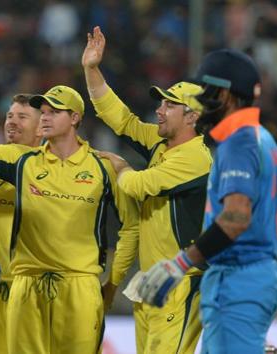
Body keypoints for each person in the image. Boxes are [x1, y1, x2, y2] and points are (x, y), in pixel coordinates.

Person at [136, 49, 277, 353]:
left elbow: (236, 217)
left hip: (237, 277)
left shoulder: (238, 142)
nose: (202, 101)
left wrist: (180, 263)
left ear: (226, 94)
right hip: (252, 276)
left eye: (207, 91)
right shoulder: (261, 138)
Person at [82, 26, 211, 354]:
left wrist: (121, 165)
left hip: (182, 281)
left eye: (169, 106)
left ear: (192, 116)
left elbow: (138, 186)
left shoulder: (197, 157)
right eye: (161, 103)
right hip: (153, 280)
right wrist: (92, 70)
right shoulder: (161, 142)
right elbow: (121, 120)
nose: (159, 110)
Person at [0, 85, 139, 354]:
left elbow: (131, 227)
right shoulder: (23, 161)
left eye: (54, 111)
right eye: (43, 112)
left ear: (75, 118)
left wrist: (113, 283)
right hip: (26, 285)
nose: (45, 117)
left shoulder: (103, 167)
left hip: (80, 286)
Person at [0, 93, 42, 354]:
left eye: (22, 117)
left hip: (30, 286)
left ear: (42, 127)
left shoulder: (47, 166)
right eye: (9, 116)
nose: (12, 122)